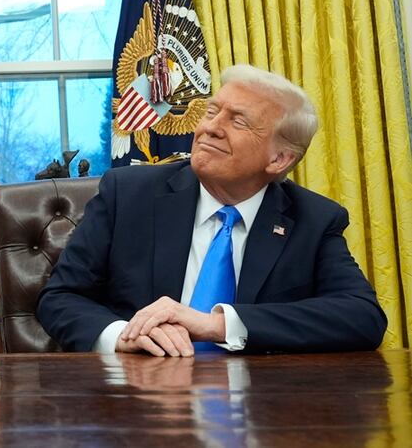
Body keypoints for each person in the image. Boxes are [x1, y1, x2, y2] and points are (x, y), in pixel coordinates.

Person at [37, 64, 386, 356]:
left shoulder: (313, 219)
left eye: (238, 121)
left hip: (262, 413)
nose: (209, 128)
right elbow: (60, 297)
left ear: (279, 159)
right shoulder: (128, 195)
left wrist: (217, 324)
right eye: (211, 111)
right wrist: (125, 335)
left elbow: (363, 316)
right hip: (139, 404)